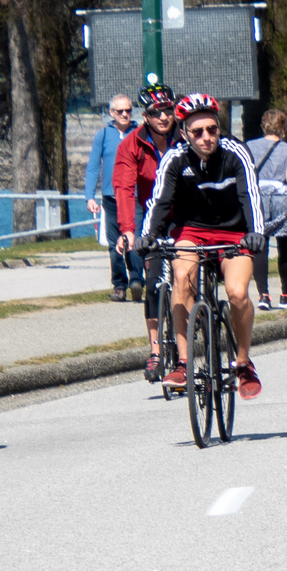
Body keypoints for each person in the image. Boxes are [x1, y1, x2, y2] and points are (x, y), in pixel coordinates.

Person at [134, 93, 267, 399]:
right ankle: (183, 362)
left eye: (212, 129)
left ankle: (244, 363)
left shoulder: (236, 153)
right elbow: (159, 200)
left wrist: (256, 232)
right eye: (197, 132)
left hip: (235, 234)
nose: (207, 137)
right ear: (184, 134)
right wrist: (148, 235)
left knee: (236, 292)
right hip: (192, 232)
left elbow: (251, 195)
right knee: (181, 278)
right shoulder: (175, 158)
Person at [112, 86, 181, 380]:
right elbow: (125, 189)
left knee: (187, 277)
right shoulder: (131, 144)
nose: (164, 117)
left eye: (168, 110)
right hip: (151, 215)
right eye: (156, 113)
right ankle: (156, 351)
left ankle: (190, 335)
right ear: (145, 117)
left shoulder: (186, 136)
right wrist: (128, 231)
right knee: (152, 286)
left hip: (187, 214)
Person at [243, 107, 287, 306]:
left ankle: (263, 295)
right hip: (280, 197)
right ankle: (286, 294)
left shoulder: (249, 147)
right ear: (283, 128)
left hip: (257, 197)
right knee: (284, 247)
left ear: (263, 125)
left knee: (260, 245)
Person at [85, 95, 137, 302]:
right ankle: (119, 286)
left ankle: (136, 280)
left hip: (134, 196)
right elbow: (93, 167)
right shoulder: (104, 135)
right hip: (111, 196)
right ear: (112, 113)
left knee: (135, 239)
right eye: (120, 111)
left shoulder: (139, 133)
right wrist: (89, 196)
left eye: (128, 110)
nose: (125, 114)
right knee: (114, 242)